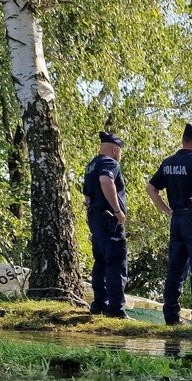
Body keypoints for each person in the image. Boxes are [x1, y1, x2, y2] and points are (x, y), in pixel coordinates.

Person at [145, 123, 192, 326]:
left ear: (183, 141)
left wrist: (166, 209)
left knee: (175, 271)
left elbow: (151, 188)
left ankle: (171, 317)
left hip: (176, 220)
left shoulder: (168, 162)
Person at [82, 131, 128, 317]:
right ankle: (116, 309)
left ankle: (99, 303)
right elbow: (106, 181)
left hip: (95, 216)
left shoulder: (91, 165)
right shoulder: (110, 162)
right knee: (116, 262)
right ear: (115, 149)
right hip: (109, 218)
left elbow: (86, 195)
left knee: (100, 261)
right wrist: (118, 211)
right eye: (120, 152)